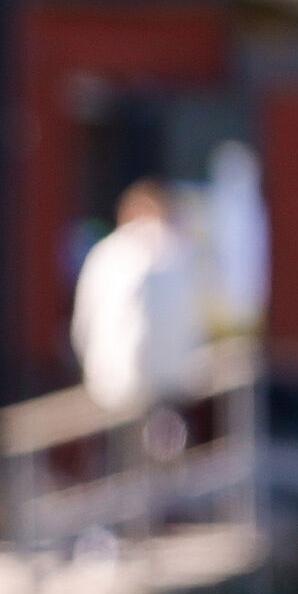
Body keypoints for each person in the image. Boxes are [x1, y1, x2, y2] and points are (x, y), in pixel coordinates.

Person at [69, 178, 208, 416]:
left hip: (113, 383)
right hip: (175, 381)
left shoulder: (108, 252)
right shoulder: (182, 253)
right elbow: (196, 322)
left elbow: (84, 322)